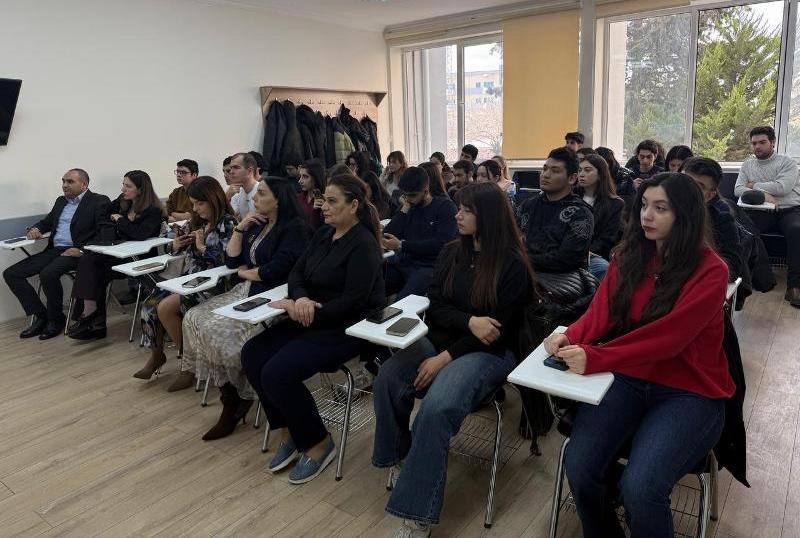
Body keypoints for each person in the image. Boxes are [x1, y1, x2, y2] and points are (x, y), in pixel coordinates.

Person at [547, 172, 734, 538]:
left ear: (685, 215)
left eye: (661, 208)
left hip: (690, 391)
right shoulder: (629, 256)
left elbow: (669, 339)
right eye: (645, 205)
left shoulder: (712, 270)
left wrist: (596, 357)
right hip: (629, 378)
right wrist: (569, 335)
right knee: (580, 466)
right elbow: (601, 312)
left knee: (641, 487)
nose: (647, 215)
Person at [372, 182, 535, 537]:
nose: (457, 215)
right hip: (444, 339)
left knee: (437, 407)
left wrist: (445, 357)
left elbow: (496, 332)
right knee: (388, 378)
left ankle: (416, 514)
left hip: (488, 353)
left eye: (466, 210)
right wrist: (469, 321)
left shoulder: (512, 264)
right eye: (458, 208)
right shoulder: (452, 252)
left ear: (488, 217)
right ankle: (402, 457)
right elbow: (436, 306)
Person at [241, 174, 385, 484]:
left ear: (354, 205)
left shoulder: (364, 245)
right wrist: (301, 299)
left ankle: (319, 442)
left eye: (332, 201)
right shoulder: (323, 234)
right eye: (324, 200)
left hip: (345, 329)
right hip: (309, 317)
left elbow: (354, 302)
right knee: (252, 353)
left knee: (277, 372)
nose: (323, 207)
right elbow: (296, 274)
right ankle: (289, 431)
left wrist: (304, 310)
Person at [179, 177, 310, 439]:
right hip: (250, 289)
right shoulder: (257, 223)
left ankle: (237, 398)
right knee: (194, 317)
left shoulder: (294, 228)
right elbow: (231, 261)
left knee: (218, 332)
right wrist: (240, 228)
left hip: (274, 295)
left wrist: (247, 272)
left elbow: (277, 269)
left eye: (262, 194)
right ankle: (231, 396)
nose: (255, 199)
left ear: (278, 200)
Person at [132, 176, 237, 380]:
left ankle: (189, 363)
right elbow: (172, 247)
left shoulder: (228, 223)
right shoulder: (197, 222)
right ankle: (157, 354)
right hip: (189, 279)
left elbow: (229, 259)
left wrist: (202, 247)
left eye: (199, 204)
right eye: (193, 204)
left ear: (213, 199)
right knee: (149, 305)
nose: (195, 209)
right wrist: (177, 245)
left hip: (215, 283)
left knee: (166, 308)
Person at [3, 169, 110, 339]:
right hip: (55, 250)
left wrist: (82, 250)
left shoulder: (98, 201)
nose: (64, 185)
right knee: (11, 274)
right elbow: (47, 222)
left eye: (70, 182)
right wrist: (36, 228)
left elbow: (105, 232)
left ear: (84, 184)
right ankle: (41, 315)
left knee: (48, 274)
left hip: (77, 253)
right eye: (63, 181)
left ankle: (55, 319)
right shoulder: (61, 201)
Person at [67, 171, 164, 340]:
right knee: (90, 265)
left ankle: (92, 319)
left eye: (128, 186)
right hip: (120, 255)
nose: (123, 189)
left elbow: (140, 234)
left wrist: (120, 220)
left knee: (93, 270)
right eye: (123, 184)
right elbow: (103, 210)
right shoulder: (123, 201)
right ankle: (92, 319)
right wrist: (108, 224)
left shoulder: (153, 211)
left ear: (141, 189)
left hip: (140, 259)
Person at [734, 125, 800, 306]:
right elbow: (738, 189)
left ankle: (795, 286)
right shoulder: (748, 164)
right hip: (761, 210)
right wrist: (764, 196)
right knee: (745, 230)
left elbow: (782, 188)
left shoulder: (787, 163)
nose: (757, 147)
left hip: (789, 210)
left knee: (797, 230)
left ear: (773, 142)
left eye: (762, 142)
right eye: (754, 143)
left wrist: (753, 185)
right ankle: (759, 279)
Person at [383, 167, 458, 299]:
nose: (408, 199)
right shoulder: (408, 206)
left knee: (403, 302)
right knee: (372, 285)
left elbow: (441, 244)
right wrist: (404, 209)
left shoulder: (445, 207)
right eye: (405, 195)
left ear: (426, 190)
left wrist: (402, 245)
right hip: (406, 263)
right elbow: (388, 234)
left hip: (430, 266)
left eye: (412, 195)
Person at [516, 147, 594, 273]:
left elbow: (565, 260)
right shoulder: (528, 205)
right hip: (521, 271)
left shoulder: (581, 214)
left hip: (560, 279)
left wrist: (520, 260)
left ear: (572, 178)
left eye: (555, 171)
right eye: (545, 169)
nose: (546, 175)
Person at [682, 157, 748, 284]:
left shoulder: (722, 221)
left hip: (696, 285)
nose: (688, 190)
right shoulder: (658, 213)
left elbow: (732, 268)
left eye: (698, 187)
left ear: (709, 196)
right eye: (685, 182)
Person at [577, 155, 625, 280]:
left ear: (600, 174)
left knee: (603, 268)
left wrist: (584, 252)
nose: (581, 174)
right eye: (579, 170)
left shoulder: (615, 204)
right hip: (567, 250)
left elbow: (607, 238)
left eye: (587, 170)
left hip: (593, 254)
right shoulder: (571, 197)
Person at [296, 158, 326, 229]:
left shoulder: (325, 199)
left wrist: (316, 211)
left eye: (305, 177)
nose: (300, 181)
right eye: (300, 176)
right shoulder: (298, 198)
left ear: (315, 177)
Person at [166, 158, 198, 223]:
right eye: (177, 172)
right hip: (176, 227)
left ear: (194, 175)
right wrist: (183, 217)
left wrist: (174, 214)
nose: (178, 175)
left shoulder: (201, 191)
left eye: (183, 172)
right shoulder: (176, 192)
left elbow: (195, 216)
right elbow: (165, 214)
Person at [229, 152, 260, 219]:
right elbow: (231, 218)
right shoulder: (235, 192)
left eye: (236, 167)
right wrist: (227, 196)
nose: (231, 172)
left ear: (249, 171)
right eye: (231, 168)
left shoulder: (262, 191)